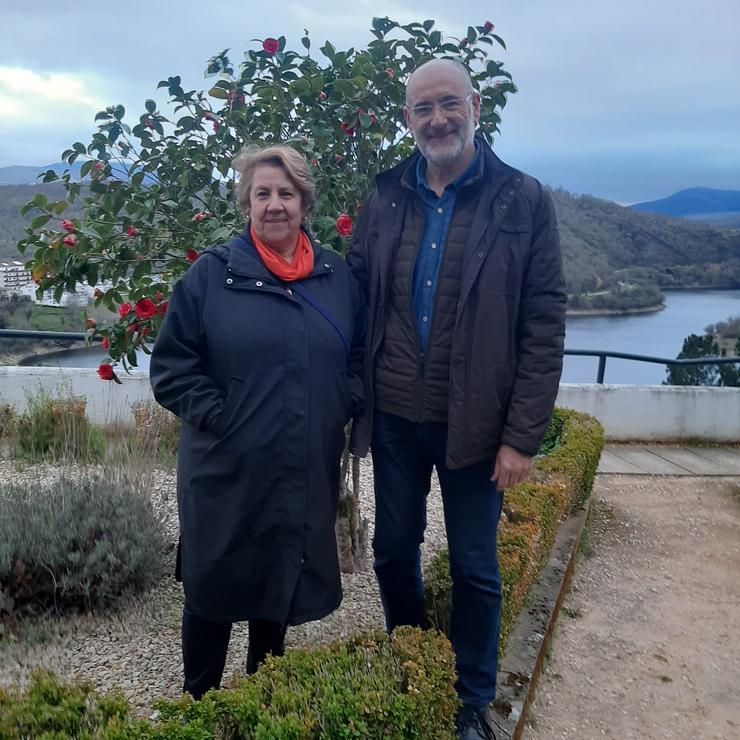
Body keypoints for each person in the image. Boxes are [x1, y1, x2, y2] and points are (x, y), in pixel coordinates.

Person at [347, 59, 566, 740]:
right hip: (395, 420)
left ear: (474, 105)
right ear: (406, 119)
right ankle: (409, 661)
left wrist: (521, 436)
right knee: (392, 549)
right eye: (423, 108)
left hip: (477, 425)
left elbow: (544, 321)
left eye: (449, 104)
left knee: (475, 567)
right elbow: (355, 298)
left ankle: (472, 699)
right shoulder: (386, 198)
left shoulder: (522, 200)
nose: (437, 118)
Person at [150, 144, 365, 700]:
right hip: (226, 470)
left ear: (304, 203)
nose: (275, 205)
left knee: (280, 584)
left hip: (302, 466)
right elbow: (173, 368)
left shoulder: (335, 277)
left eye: (286, 193)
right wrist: (225, 418)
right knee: (212, 589)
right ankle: (200, 704)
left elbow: (359, 356)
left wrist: (343, 400)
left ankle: (260, 701)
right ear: (246, 203)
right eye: (262, 193)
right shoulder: (210, 278)